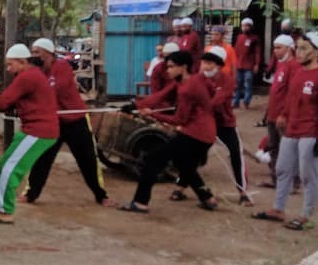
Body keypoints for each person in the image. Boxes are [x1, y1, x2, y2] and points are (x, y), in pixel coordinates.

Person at [253, 32, 318, 230]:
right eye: (298, 47)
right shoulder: (298, 73)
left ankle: (307, 216)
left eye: (304, 48)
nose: (298, 52)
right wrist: (283, 115)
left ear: (316, 52)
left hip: (311, 132)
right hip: (292, 130)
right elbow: (291, 98)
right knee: (282, 169)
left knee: (309, 175)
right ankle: (278, 209)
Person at [120, 50, 218, 214]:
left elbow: (180, 120)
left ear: (184, 67)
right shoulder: (192, 79)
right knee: (185, 165)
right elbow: (160, 96)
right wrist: (136, 106)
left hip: (196, 134)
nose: (168, 71)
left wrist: (152, 114)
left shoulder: (187, 88)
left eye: (172, 67)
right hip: (205, 134)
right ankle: (208, 198)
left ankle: (140, 202)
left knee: (153, 159)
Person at [0, 44, 59, 224]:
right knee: (5, 163)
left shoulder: (27, 77)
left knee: (11, 169)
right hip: (33, 129)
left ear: (22, 62)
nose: (9, 70)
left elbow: (5, 101)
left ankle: (6, 211)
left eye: (11, 65)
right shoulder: (31, 75)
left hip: (38, 131)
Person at [21, 38, 116, 207]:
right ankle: (31, 193)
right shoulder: (35, 72)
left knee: (88, 159)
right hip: (53, 122)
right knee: (41, 158)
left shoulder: (62, 67)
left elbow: (58, 87)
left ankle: (101, 195)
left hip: (76, 120)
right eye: (33, 52)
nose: (35, 56)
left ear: (49, 54)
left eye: (38, 52)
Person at [199, 46, 251, 206]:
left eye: (209, 63)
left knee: (236, 153)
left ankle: (243, 193)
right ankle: (180, 186)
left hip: (225, 125)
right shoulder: (199, 78)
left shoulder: (228, 80)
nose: (205, 66)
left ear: (219, 65)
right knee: (192, 155)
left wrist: (201, 105)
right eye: (204, 62)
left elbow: (218, 100)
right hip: (205, 123)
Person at [261, 34, 298, 187]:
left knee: (287, 150)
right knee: (273, 148)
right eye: (274, 48)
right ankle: (276, 179)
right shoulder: (281, 64)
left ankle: (292, 182)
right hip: (272, 115)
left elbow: (292, 94)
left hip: (283, 117)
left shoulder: (294, 66)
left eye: (278, 48)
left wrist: (284, 114)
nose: (275, 51)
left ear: (289, 48)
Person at [232, 17, 261, 110]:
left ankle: (246, 101)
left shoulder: (255, 38)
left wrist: (257, 64)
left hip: (249, 65)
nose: (244, 28)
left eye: (247, 26)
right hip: (239, 64)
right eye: (243, 26)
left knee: (248, 83)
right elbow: (235, 50)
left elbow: (257, 52)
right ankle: (235, 102)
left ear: (251, 27)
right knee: (238, 84)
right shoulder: (239, 37)